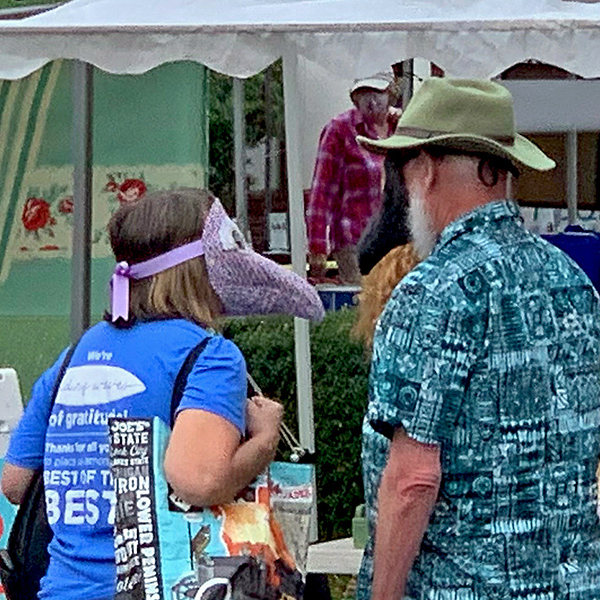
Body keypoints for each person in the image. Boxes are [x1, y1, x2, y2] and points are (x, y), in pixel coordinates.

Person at [1, 188, 324, 600]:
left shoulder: (73, 358)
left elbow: (15, 483)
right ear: (207, 266)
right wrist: (263, 440)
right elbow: (199, 482)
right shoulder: (209, 357)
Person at [356, 78, 600, 600]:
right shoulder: (573, 282)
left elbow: (413, 480)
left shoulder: (433, 290)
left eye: (402, 168)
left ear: (425, 168)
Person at [306, 73, 400, 285]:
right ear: (355, 97)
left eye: (378, 93)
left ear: (391, 94)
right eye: (363, 93)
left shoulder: (402, 128)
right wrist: (317, 248)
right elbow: (322, 192)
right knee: (365, 302)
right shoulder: (339, 129)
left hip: (396, 240)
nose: (371, 101)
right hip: (355, 240)